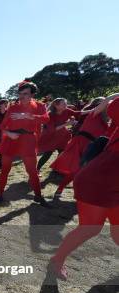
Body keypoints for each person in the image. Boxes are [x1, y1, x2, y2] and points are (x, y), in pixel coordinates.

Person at [48, 99, 119, 280]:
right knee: (90, 228)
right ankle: (56, 261)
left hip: (111, 182)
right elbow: (113, 104)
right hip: (97, 182)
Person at [0, 81, 50, 206]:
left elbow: (46, 119)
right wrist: (9, 133)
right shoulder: (13, 107)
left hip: (28, 140)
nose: (21, 96)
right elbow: (2, 126)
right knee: (5, 170)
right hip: (11, 139)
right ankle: (0, 194)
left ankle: (38, 196)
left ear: (32, 94)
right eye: (20, 93)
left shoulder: (40, 106)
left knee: (32, 171)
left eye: (25, 93)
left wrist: (28, 116)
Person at [50, 94, 118, 199]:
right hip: (81, 143)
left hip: (94, 147)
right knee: (77, 170)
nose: (108, 106)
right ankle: (62, 189)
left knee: (83, 171)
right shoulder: (93, 114)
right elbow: (103, 105)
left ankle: (71, 190)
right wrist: (115, 95)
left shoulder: (108, 122)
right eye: (106, 104)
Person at [36, 98, 84, 171]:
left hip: (62, 136)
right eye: (64, 104)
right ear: (56, 105)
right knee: (48, 154)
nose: (66, 105)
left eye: (66, 103)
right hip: (51, 136)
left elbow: (77, 113)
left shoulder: (66, 110)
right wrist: (68, 123)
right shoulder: (50, 115)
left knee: (62, 153)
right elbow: (53, 129)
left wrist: (92, 110)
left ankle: (56, 168)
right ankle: (37, 170)